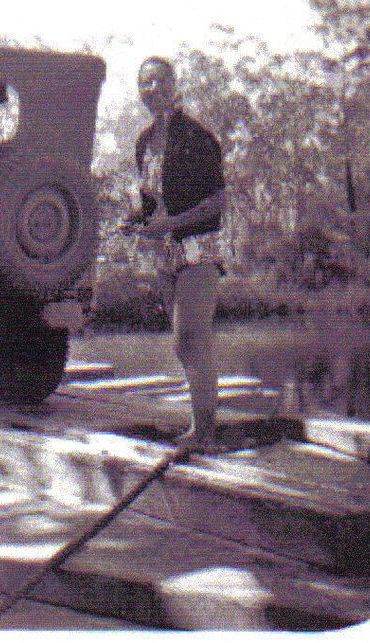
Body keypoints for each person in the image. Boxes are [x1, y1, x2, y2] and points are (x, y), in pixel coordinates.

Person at [123, 57, 226, 450]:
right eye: (145, 82)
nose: (153, 88)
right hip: (167, 252)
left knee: (191, 338)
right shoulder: (144, 143)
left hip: (199, 245)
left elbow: (216, 203)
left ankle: (205, 434)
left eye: (160, 80)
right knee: (183, 344)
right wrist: (138, 219)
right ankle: (201, 428)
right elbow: (153, 202)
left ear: (175, 84)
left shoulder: (197, 138)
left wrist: (168, 224)